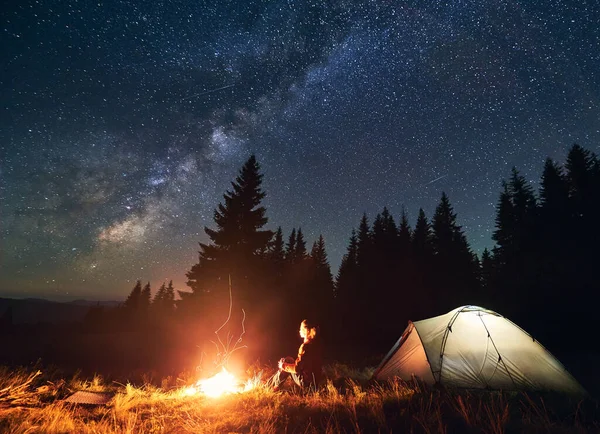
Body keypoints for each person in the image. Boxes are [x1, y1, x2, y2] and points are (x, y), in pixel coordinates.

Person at [267, 319, 323, 391]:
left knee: (286, 361)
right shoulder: (315, 345)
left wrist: (283, 365)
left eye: (301, 329)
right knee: (289, 360)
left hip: (307, 384)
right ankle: (271, 385)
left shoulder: (305, 347)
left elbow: (296, 369)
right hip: (315, 384)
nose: (299, 331)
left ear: (306, 331)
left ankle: (272, 387)